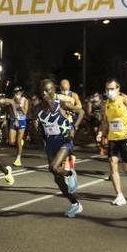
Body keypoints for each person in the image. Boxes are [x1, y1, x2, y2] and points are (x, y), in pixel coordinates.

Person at [36, 78, 83, 218]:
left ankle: (69, 174)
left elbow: (81, 113)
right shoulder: (38, 108)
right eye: (43, 90)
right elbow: (42, 127)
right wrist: (41, 136)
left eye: (48, 89)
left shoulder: (61, 105)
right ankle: (75, 204)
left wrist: (74, 127)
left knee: (53, 167)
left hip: (64, 141)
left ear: (53, 91)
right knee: (57, 179)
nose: (45, 92)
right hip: (50, 143)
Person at [97, 78, 127, 206]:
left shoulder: (123, 99)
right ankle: (119, 195)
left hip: (126, 137)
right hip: (112, 138)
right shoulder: (106, 103)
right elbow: (105, 121)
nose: (110, 91)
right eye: (108, 89)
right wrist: (100, 132)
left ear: (118, 89)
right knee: (112, 163)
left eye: (112, 89)